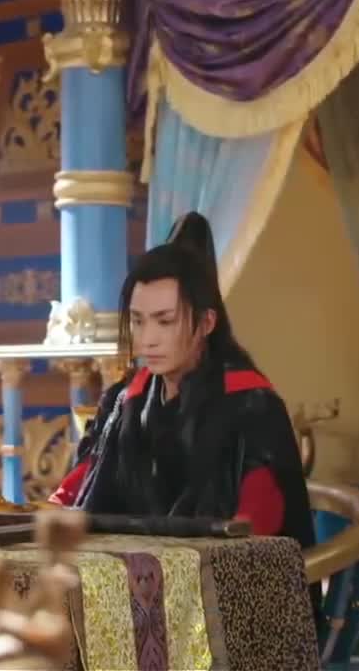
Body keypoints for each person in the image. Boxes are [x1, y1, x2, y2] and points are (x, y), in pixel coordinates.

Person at [48, 211, 315, 544]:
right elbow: (81, 485)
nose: (148, 340)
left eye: (165, 321)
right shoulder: (125, 400)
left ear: (207, 323)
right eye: (138, 321)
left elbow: (256, 525)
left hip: (219, 568)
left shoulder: (250, 404)